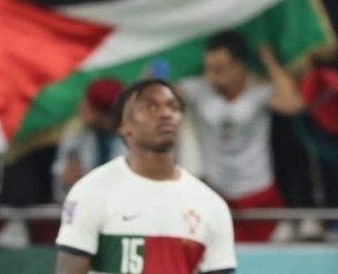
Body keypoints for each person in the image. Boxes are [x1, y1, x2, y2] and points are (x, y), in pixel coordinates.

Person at [55, 78, 236, 274]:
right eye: (151, 107)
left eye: (173, 107)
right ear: (124, 125)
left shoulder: (211, 205)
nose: (166, 114)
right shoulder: (91, 192)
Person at [178, 32, 311, 242]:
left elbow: (294, 104)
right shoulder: (197, 89)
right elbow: (157, 96)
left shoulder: (258, 91)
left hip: (259, 194)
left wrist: (269, 61)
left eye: (219, 70)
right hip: (218, 196)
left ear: (239, 66)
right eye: (208, 69)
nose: (211, 77)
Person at [52, 78, 125, 200]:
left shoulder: (134, 139)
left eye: (88, 105)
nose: (80, 107)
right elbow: (60, 189)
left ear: (104, 114)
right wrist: (66, 181)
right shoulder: (74, 134)